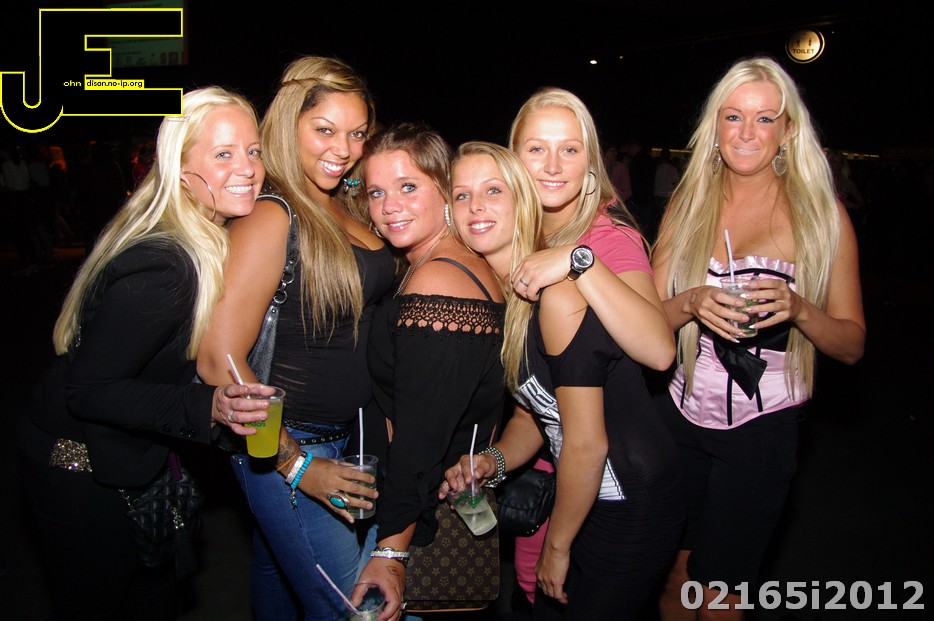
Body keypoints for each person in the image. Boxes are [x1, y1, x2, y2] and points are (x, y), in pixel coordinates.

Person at [16, 86, 272, 620]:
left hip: (123, 455)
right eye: (223, 153)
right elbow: (88, 390)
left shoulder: (201, 237)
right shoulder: (169, 265)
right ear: (180, 167)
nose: (247, 168)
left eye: (253, 151)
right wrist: (207, 406)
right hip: (77, 464)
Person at [651, 57, 866, 621]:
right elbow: (648, 324)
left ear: (787, 131)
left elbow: (851, 344)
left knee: (719, 593)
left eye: (765, 118)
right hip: (679, 414)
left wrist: (798, 309)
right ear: (715, 127)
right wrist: (691, 302)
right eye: (733, 116)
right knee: (674, 576)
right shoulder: (687, 204)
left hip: (762, 426)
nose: (747, 132)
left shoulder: (822, 216)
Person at [441, 140, 683, 620]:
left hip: (634, 499)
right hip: (589, 497)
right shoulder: (505, 299)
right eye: (462, 194)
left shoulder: (558, 296)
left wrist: (556, 544)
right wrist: (491, 461)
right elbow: (535, 416)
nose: (476, 206)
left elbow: (587, 444)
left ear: (522, 201)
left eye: (493, 190)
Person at [196, 56, 393, 621]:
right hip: (289, 445)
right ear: (289, 123)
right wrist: (295, 463)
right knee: (354, 609)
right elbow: (217, 358)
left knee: (277, 576)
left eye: (357, 133)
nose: (344, 149)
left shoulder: (344, 202)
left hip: (347, 438)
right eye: (325, 129)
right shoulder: (272, 214)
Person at [500, 86, 683, 612]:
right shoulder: (526, 234)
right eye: (536, 149)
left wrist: (579, 260)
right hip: (578, 480)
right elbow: (547, 394)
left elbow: (659, 350)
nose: (553, 165)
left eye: (570, 149)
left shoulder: (607, 235)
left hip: (633, 490)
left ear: (590, 162)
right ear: (514, 157)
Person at [351, 123, 506, 621]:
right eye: (377, 191)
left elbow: (420, 439)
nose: (389, 205)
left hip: (420, 515)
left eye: (408, 186)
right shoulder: (434, 263)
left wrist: (390, 552)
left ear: (445, 189)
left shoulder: (439, 282)